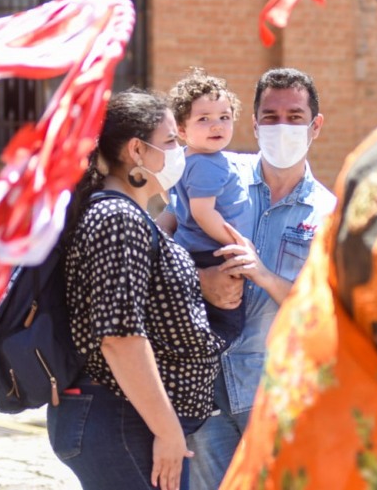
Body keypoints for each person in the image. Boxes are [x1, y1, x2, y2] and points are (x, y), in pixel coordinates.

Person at [46, 90, 241, 490]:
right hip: (123, 419)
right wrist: (168, 431)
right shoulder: (118, 217)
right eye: (170, 141)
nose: (180, 150)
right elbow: (119, 338)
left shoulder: (130, 214)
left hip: (130, 418)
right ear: (137, 150)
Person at [169, 68, 337, 490]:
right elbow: (164, 241)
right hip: (202, 385)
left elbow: (324, 309)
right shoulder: (219, 173)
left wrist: (261, 275)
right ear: (255, 124)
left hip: (273, 395)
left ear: (315, 126)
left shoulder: (329, 214)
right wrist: (201, 276)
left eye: (295, 117)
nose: (283, 127)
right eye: (271, 116)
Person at [163, 69, 254, 274]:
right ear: (182, 130)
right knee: (229, 304)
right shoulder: (208, 163)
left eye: (224, 117)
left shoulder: (183, 157)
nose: (217, 126)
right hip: (213, 253)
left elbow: (170, 196)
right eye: (204, 119)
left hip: (195, 250)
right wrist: (237, 243)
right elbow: (203, 213)